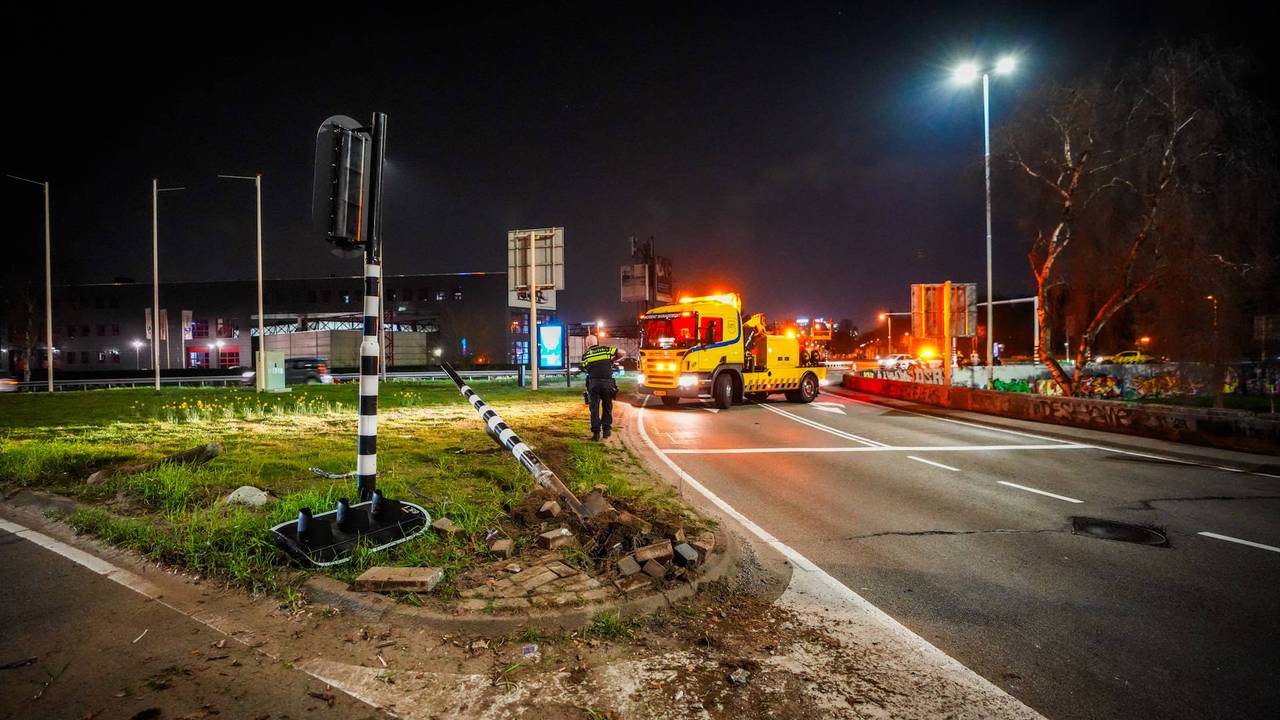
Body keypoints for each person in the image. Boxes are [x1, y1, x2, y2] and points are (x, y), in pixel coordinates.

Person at [580, 334, 625, 440]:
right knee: (607, 406)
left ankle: (596, 434)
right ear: (597, 342)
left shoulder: (586, 355)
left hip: (594, 383)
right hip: (607, 383)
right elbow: (623, 352)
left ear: (587, 344)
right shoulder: (606, 350)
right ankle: (606, 431)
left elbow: (584, 368)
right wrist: (613, 360)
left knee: (594, 408)